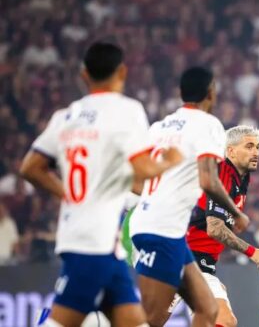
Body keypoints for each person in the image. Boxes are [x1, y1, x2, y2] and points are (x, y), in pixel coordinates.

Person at [19, 42, 182, 327]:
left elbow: (30, 168)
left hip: (98, 241)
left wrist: (67, 194)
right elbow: (142, 168)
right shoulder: (126, 111)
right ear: (122, 71)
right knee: (59, 321)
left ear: (84, 75)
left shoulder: (65, 117)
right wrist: (170, 161)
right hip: (92, 244)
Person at [128, 66, 250, 327]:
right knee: (149, 319)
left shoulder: (158, 128)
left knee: (208, 310)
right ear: (210, 93)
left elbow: (135, 182)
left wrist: (161, 195)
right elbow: (208, 179)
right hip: (161, 230)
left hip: (162, 229)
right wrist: (236, 212)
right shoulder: (208, 125)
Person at [183, 125, 259, 327]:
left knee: (221, 320)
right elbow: (214, 228)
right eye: (249, 146)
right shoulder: (223, 171)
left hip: (199, 263)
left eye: (257, 147)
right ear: (230, 150)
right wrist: (251, 251)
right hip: (181, 257)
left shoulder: (242, 178)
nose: (255, 152)